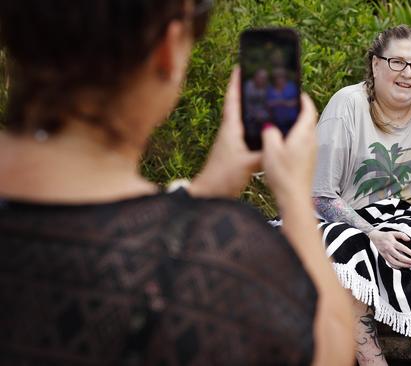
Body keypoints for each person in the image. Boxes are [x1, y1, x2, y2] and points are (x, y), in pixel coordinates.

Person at [0, 1, 355, 365]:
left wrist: (207, 190)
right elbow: (330, 348)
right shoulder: (224, 253)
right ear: (167, 49)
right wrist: (294, 194)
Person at [312, 25, 411, 366]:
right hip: (339, 217)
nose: (407, 74)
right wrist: (372, 233)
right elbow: (320, 196)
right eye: (397, 62)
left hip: (404, 219)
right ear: (375, 64)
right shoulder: (348, 105)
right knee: (350, 248)